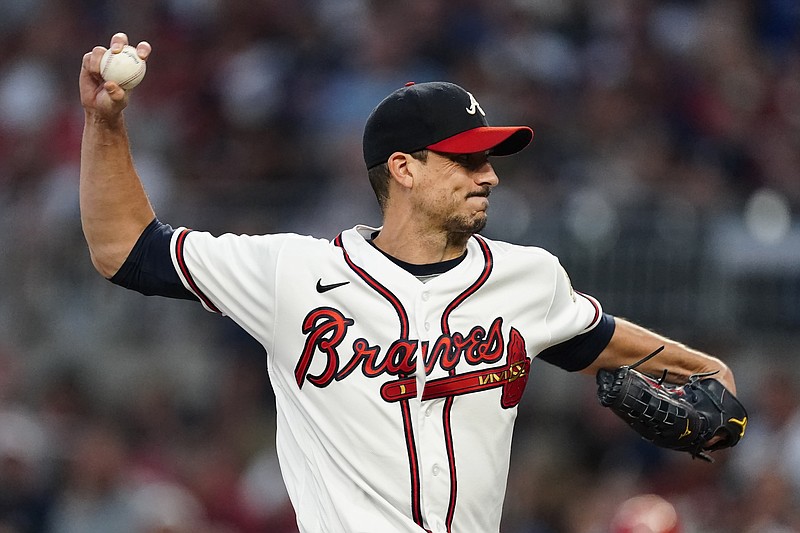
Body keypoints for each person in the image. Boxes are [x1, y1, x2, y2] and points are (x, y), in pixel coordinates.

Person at [79, 34, 739, 533]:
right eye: (467, 158)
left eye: (490, 158)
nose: (489, 175)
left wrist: (711, 375)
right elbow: (126, 249)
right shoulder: (293, 272)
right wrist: (105, 125)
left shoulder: (528, 279)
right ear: (404, 168)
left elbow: (600, 341)